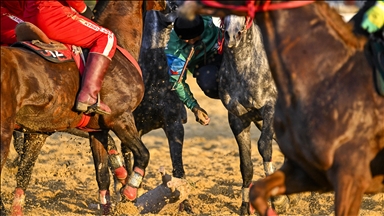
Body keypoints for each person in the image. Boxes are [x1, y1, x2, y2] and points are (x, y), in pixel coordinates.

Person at [23, 0, 117, 115]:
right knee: (107, 37)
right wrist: (84, 10)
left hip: (29, 15)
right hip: (52, 14)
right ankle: (89, 95)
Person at [165, 15, 223, 126]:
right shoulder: (174, 51)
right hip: (204, 66)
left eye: (193, 38)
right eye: (184, 39)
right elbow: (177, 83)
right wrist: (195, 107)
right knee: (208, 84)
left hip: (224, 49)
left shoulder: (205, 15)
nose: (188, 41)